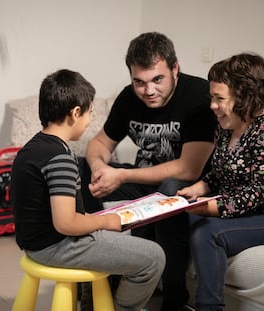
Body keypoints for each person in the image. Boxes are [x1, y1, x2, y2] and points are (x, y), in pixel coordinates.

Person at [79, 32, 216, 311]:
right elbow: (100, 143)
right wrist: (99, 168)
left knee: (169, 188)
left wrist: (122, 175)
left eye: (157, 80)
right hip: (144, 178)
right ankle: (99, 279)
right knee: (80, 169)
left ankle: (175, 299)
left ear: (175, 69)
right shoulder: (130, 98)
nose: (148, 91)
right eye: (139, 82)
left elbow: (190, 168)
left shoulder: (199, 97)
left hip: (189, 187)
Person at [10, 69, 165, 311]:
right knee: (154, 257)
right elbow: (66, 224)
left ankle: (90, 306)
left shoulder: (31, 148)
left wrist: (94, 221)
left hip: (35, 243)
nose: (91, 119)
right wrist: (104, 222)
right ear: (75, 113)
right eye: (89, 112)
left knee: (108, 240)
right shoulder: (59, 157)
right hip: (57, 247)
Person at [176, 53, 264, 310]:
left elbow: (257, 194)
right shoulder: (224, 127)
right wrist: (198, 188)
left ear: (245, 98)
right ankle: (171, 293)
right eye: (212, 97)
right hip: (235, 209)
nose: (212, 105)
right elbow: (217, 173)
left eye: (219, 98)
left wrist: (208, 208)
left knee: (207, 230)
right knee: (171, 196)